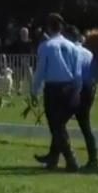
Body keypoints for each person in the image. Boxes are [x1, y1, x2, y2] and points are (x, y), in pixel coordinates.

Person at [30, 14, 82, 172]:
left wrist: (34, 91)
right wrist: (77, 91)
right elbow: (78, 72)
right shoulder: (73, 47)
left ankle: (71, 159)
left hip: (54, 89)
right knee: (60, 125)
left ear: (48, 27)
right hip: (70, 88)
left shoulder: (46, 46)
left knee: (56, 127)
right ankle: (53, 158)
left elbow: (40, 72)